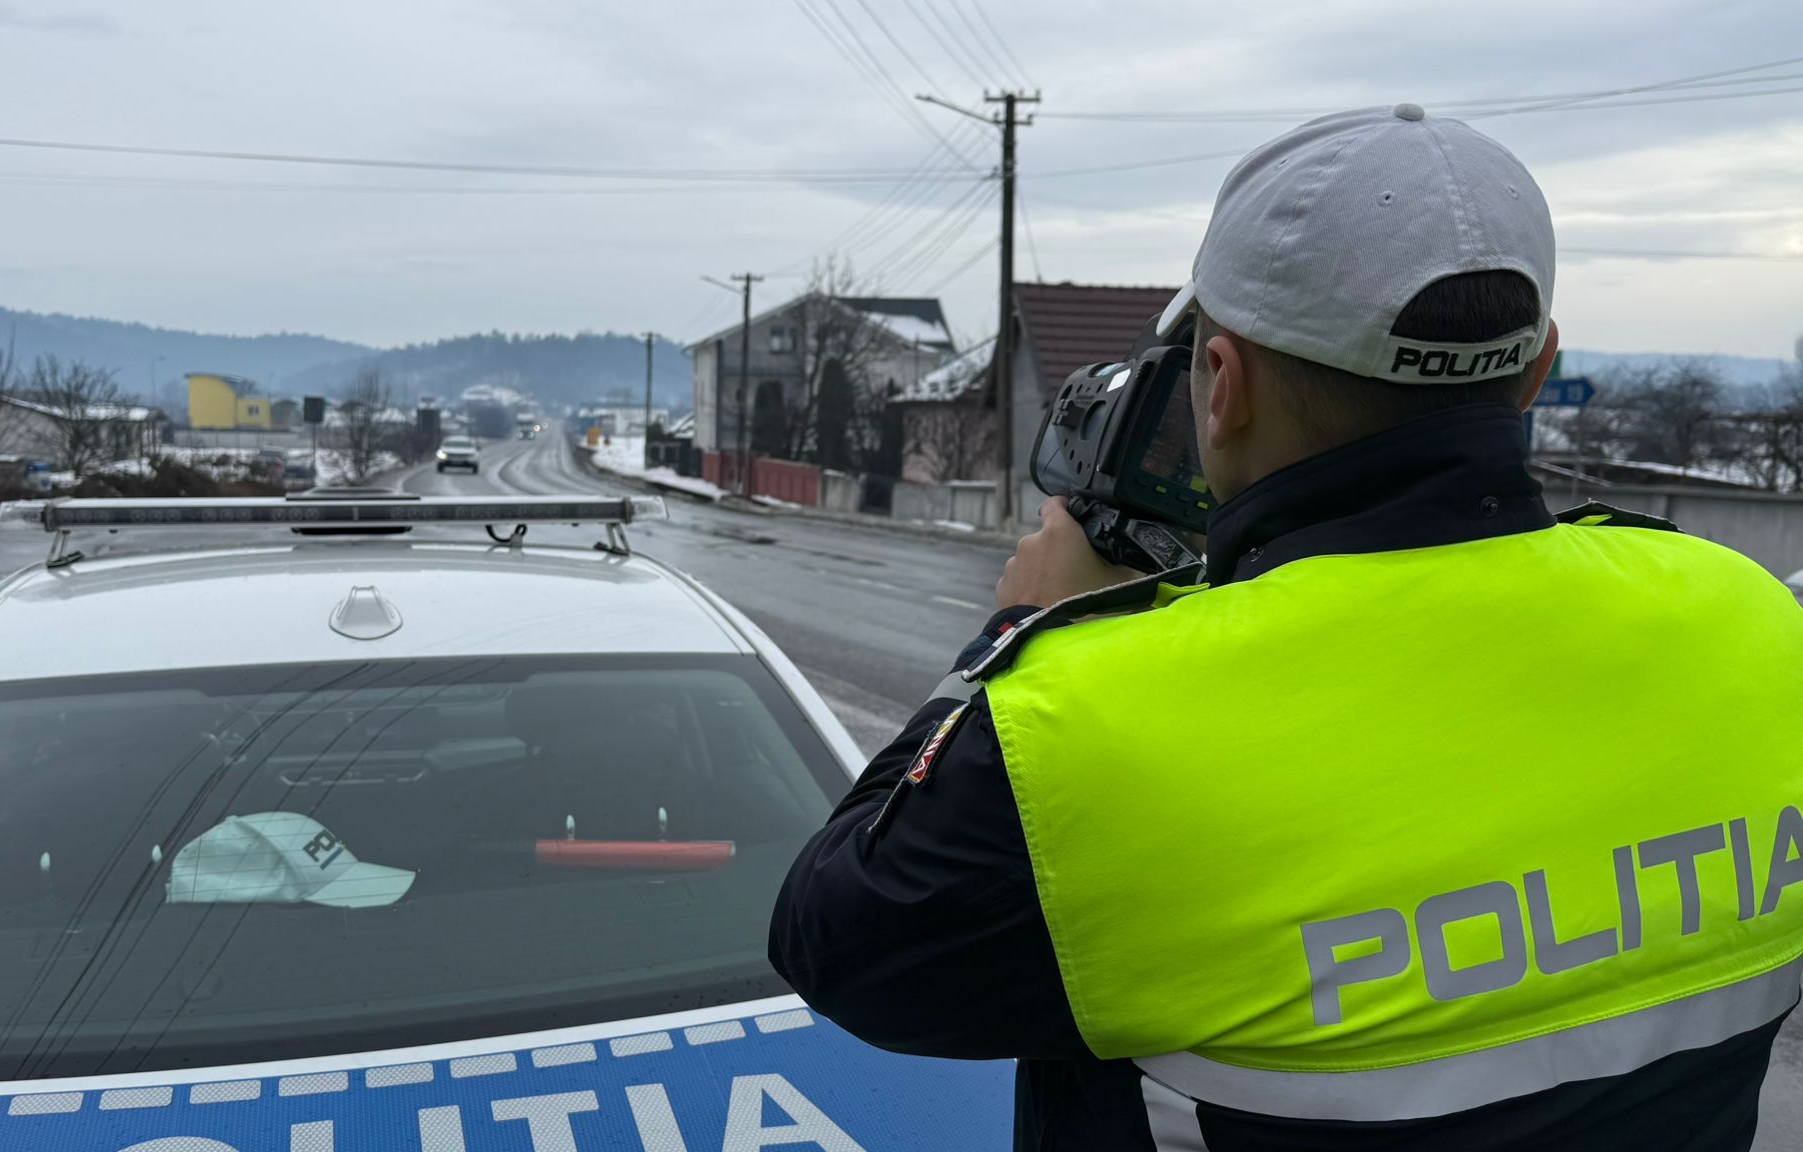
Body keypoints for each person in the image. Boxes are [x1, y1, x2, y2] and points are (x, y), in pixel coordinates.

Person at [769, 104, 1803, 1151]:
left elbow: (831, 939)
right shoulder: (1751, 617)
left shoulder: (1089, 722)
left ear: (1220, 387)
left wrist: (1025, 629)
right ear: (1536, 372)